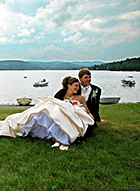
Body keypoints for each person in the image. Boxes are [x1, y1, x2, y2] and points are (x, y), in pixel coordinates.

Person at [0, 77, 94, 151]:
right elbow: (54, 103)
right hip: (59, 111)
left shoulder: (79, 97)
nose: (77, 88)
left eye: (78, 86)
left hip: (71, 113)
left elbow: (86, 110)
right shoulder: (61, 95)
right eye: (76, 86)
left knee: (60, 114)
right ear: (69, 86)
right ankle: (27, 126)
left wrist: (89, 115)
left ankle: (62, 139)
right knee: (49, 111)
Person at [77, 68, 105, 137]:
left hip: (90, 114)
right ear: (80, 79)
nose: (88, 79)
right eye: (86, 77)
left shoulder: (96, 89)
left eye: (89, 77)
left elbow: (96, 106)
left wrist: (98, 118)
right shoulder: (75, 88)